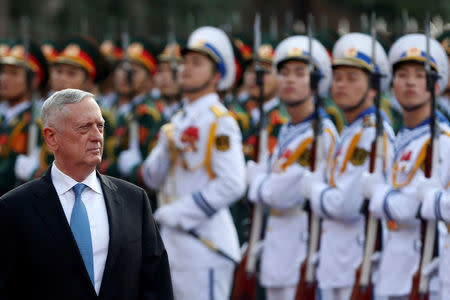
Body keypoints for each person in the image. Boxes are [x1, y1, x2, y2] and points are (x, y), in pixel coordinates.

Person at [0, 88, 174, 300]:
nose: (97, 137)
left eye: (100, 126)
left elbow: (156, 283)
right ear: (51, 138)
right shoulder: (14, 208)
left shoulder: (134, 200)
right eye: (84, 128)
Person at [141, 26, 246, 300]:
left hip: (205, 246)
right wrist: (164, 149)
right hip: (174, 245)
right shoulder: (178, 119)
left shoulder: (219, 120)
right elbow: (151, 179)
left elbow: (233, 183)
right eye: (185, 62)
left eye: (197, 63)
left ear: (217, 75)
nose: (185, 69)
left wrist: (179, 212)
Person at [298, 32, 395, 300]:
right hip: (335, 265)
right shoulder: (350, 130)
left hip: (356, 265)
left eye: (353, 79)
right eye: (338, 78)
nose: (341, 85)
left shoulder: (372, 134)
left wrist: (314, 190)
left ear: (373, 87)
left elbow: (346, 204)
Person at [247, 35, 337, 300]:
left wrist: (258, 182)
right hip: (278, 250)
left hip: (303, 251)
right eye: (284, 72)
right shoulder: (288, 128)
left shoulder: (320, 132)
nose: (289, 80)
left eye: (299, 73)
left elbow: (284, 194)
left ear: (316, 81)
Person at [362, 33, 449, 300]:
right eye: (402, 75)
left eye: (420, 76)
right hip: (393, 270)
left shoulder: (442, 140)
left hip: (423, 270)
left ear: (435, 87)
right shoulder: (402, 136)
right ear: (393, 86)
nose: (410, 82)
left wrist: (376, 194)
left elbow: (410, 209)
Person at [0, 38, 48, 195]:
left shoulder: (37, 121)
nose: (4, 79)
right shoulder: (4, 116)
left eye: (14, 73)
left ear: (33, 81)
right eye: (3, 71)